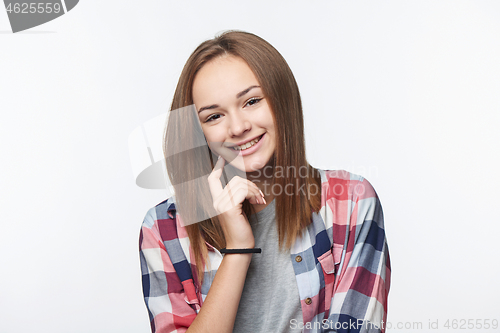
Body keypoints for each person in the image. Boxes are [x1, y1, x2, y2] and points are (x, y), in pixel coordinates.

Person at [139, 30, 390, 333]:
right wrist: (238, 248)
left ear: (281, 100)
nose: (238, 127)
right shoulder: (163, 230)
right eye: (214, 117)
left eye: (252, 101)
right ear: (198, 132)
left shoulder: (351, 202)